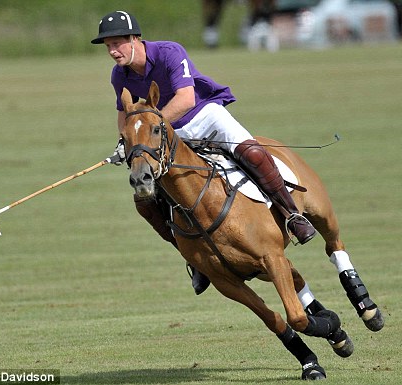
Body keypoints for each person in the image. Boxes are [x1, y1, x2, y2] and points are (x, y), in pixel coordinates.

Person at [91, 10, 316, 295]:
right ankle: (194, 258)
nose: (112, 51)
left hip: (202, 115)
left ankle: (292, 215)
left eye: (117, 43)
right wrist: (126, 142)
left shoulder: (169, 52)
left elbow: (185, 99)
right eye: (108, 46)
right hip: (170, 134)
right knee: (147, 200)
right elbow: (125, 112)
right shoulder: (118, 75)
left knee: (254, 153)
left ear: (135, 39)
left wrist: (150, 130)